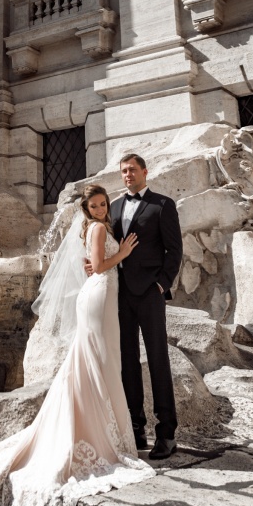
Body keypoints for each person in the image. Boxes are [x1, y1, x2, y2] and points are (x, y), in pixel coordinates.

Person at [0, 184, 154, 506]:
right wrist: (124, 252)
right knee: (98, 360)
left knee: (97, 360)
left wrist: (112, 257)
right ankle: (94, 434)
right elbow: (100, 266)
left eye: (103, 204)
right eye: (94, 206)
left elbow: (94, 265)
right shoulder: (97, 229)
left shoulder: (98, 228)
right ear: (86, 209)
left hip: (100, 295)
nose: (101, 209)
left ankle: (94, 428)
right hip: (98, 297)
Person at [91, 153, 183, 460]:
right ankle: (135, 428)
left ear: (145, 171)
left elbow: (174, 250)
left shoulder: (163, 205)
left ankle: (167, 433)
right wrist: (93, 264)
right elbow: (105, 246)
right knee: (127, 361)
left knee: (158, 359)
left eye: (132, 170)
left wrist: (161, 285)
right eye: (123, 171)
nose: (128, 175)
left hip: (150, 294)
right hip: (120, 295)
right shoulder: (114, 207)